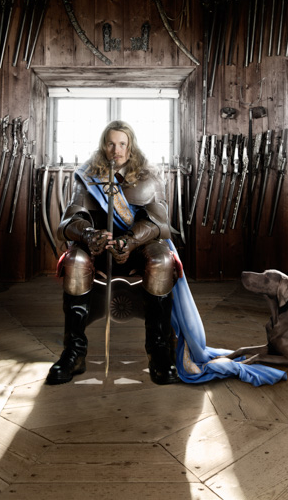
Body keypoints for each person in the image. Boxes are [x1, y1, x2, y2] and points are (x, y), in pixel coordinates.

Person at [47, 120, 181, 385]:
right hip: (99, 245)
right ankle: (74, 352)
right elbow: (70, 220)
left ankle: (158, 352)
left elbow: (160, 222)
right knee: (74, 260)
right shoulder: (87, 174)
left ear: (130, 146)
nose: (116, 149)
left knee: (162, 259)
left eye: (122, 143)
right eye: (111, 143)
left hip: (139, 245)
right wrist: (88, 234)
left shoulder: (149, 175)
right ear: (103, 145)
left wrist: (131, 240)